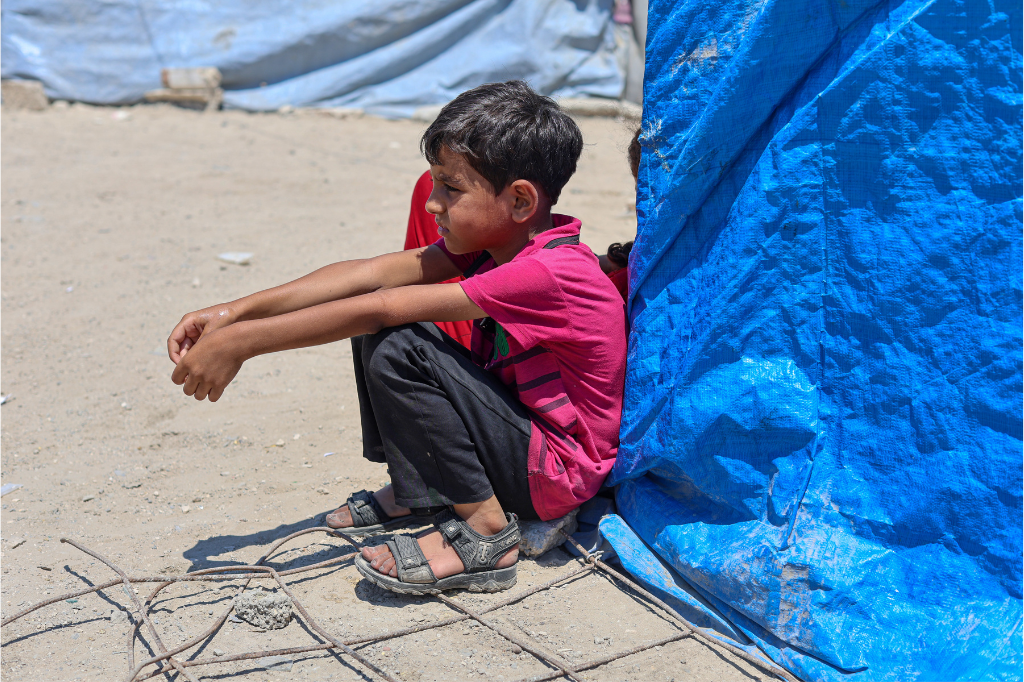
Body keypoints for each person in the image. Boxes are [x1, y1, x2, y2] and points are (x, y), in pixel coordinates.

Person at [166, 80, 627, 595]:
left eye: (451, 189)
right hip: (525, 446)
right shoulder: (499, 242)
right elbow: (372, 275)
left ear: (520, 200)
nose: (433, 205)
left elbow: (382, 306)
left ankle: (486, 534)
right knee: (376, 330)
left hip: (556, 473)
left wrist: (245, 343)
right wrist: (235, 313)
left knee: (398, 341)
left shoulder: (548, 272)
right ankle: (423, 492)